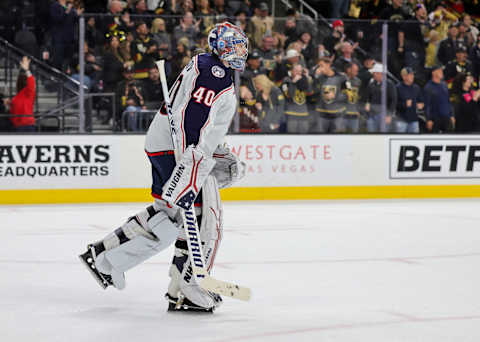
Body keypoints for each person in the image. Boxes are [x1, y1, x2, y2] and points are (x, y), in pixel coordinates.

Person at [79, 22, 248, 313]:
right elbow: (188, 121)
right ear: (220, 46)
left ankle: (105, 256)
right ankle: (188, 286)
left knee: (172, 216)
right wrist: (190, 166)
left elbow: (201, 123)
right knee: (204, 217)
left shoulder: (213, 68)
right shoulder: (215, 72)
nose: (241, 50)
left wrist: (215, 151)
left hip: (169, 146)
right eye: (235, 44)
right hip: (177, 150)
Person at [364, 63, 397, 133]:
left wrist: (389, 115)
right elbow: (368, 97)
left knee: (383, 135)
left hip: (384, 115)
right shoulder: (371, 84)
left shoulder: (389, 84)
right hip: (372, 115)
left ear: (380, 73)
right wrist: (367, 103)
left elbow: (393, 100)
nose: (373, 74)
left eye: (375, 73)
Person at [280, 64, 312, 133]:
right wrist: (293, 83)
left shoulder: (304, 81)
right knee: (292, 136)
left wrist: (307, 78)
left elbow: (309, 92)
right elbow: (289, 96)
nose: (298, 73)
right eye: (296, 71)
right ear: (291, 71)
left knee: (304, 136)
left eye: (300, 71)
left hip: (303, 113)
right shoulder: (286, 81)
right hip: (291, 113)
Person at [424, 65, 455, 133]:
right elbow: (427, 105)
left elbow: (448, 101)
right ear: (433, 73)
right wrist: (428, 119)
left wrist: (452, 115)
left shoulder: (444, 85)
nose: (442, 72)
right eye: (439, 71)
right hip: (435, 119)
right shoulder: (428, 87)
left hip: (447, 117)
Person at [9, 57, 36, 132]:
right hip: (22, 126)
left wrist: (27, 70)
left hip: (25, 126)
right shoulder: (15, 98)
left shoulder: (27, 92)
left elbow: (31, 83)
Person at [395, 67, 424, 133]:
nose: (412, 76)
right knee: (400, 141)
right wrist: (405, 104)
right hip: (401, 120)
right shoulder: (397, 88)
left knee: (414, 141)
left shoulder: (416, 87)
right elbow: (393, 104)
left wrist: (421, 105)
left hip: (414, 120)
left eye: (412, 75)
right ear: (404, 77)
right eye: (409, 75)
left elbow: (421, 101)